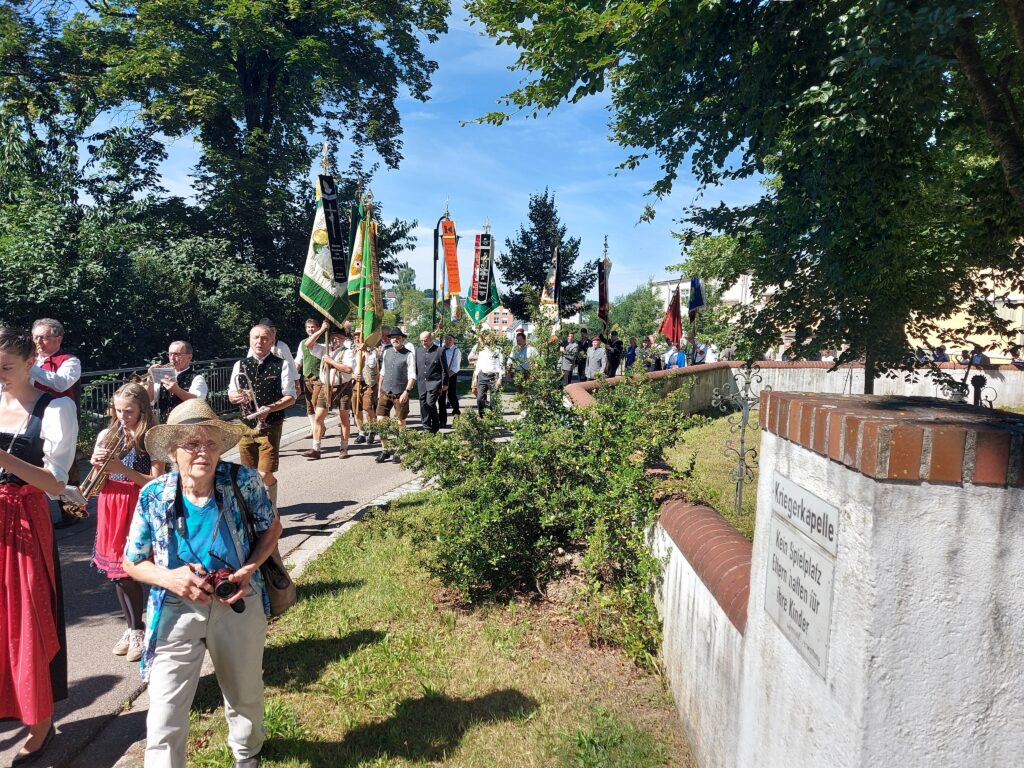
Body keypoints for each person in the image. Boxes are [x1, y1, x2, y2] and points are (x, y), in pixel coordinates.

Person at [123, 399, 281, 768]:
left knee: (244, 692)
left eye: (210, 443)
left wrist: (249, 569)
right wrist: (169, 577)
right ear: (173, 450)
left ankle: (247, 753)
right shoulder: (154, 495)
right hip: (176, 609)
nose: (202, 452)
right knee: (163, 712)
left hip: (237, 601)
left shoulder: (242, 481)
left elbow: (272, 528)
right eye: (192, 444)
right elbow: (131, 562)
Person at [0, 326, 78, 764]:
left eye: (6, 368)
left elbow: (55, 485)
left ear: (31, 361)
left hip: (25, 521)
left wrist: (3, 458)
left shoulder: (55, 408)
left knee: (29, 616)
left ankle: (40, 722)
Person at [91, 383, 165, 663]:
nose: (122, 416)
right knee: (117, 573)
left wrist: (121, 468)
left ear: (142, 409)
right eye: (118, 410)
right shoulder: (110, 433)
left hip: (137, 504)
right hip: (111, 502)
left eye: (129, 411)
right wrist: (99, 465)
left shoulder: (151, 437)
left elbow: (156, 481)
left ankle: (140, 629)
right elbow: (99, 482)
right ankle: (133, 627)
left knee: (132, 569)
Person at [228, 324, 296, 509]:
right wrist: (235, 397)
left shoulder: (282, 364)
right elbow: (231, 394)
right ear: (250, 340)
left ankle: (271, 513)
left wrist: (271, 408)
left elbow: (291, 396)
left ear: (272, 341)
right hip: (246, 425)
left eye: (265, 338)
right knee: (249, 474)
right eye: (256, 337)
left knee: (265, 473)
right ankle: (254, 512)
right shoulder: (240, 365)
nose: (260, 341)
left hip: (270, 425)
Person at [30, 317, 83, 529]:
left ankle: (74, 512)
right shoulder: (31, 359)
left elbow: (61, 383)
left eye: (43, 338)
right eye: (35, 338)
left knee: (66, 468)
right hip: (32, 419)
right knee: (32, 464)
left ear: (58, 338)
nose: (38, 342)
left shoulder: (70, 361)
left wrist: (29, 367)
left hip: (60, 421)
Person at [305, 323, 356, 459]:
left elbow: (348, 369)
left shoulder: (348, 351)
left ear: (344, 338)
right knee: (318, 416)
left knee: (344, 418)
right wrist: (322, 329)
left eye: (338, 337)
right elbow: (308, 344)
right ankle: (316, 448)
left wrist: (330, 361)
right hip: (326, 385)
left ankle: (343, 448)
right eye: (333, 337)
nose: (335, 340)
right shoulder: (325, 349)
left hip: (343, 387)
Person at [375, 328, 416, 464]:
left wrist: (407, 391)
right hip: (385, 391)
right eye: (393, 337)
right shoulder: (386, 352)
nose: (395, 339)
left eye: (398, 337)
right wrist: (379, 389)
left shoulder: (409, 354)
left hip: (400, 393)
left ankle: (399, 450)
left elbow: (412, 376)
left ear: (402, 339)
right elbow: (382, 372)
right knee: (381, 421)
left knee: (400, 422)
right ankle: (385, 449)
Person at [147, 341, 209, 423]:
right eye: (170, 354)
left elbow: (198, 402)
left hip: (187, 425)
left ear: (189, 357)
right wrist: (150, 379)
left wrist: (176, 390)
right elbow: (148, 400)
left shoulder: (197, 378)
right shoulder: (162, 374)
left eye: (177, 354)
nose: (172, 358)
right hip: (164, 425)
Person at [415, 331, 449, 434]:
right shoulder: (418, 351)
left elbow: (444, 369)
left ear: (430, 339)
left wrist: (445, 383)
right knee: (423, 405)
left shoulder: (439, 351)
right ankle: (426, 427)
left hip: (434, 382)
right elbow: (416, 367)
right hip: (422, 383)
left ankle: (435, 425)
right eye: (421, 340)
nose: (423, 342)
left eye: (425, 340)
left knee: (430, 403)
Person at [296, 318, 323, 439]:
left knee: (316, 403)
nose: (310, 329)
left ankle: (319, 428)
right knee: (309, 406)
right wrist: (293, 375)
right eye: (308, 327)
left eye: (313, 327)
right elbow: (298, 360)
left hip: (319, 378)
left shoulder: (324, 342)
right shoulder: (302, 343)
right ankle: (314, 428)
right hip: (307, 378)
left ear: (318, 328)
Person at [353, 330, 380, 445]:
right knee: (356, 408)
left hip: (369, 383)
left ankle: (372, 430)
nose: (357, 339)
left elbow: (372, 364)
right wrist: (353, 375)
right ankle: (361, 432)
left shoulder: (372, 351)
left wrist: (365, 351)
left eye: (359, 337)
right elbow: (348, 367)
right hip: (356, 383)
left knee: (368, 408)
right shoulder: (351, 351)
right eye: (355, 337)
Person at [472, 331, 505, 415]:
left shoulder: (498, 349)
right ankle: (482, 417)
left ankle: (493, 417)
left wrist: (500, 378)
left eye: (489, 338)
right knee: (480, 399)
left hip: (494, 376)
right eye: (486, 338)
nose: (488, 339)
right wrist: (475, 377)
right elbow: (479, 364)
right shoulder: (482, 350)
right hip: (482, 376)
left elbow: (501, 364)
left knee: (494, 399)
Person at [438, 334, 462, 428]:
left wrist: (446, 376)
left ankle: (456, 414)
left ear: (454, 341)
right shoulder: (440, 349)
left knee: (452, 396)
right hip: (441, 376)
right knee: (441, 398)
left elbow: (456, 367)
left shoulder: (456, 350)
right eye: (446, 339)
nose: (447, 341)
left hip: (451, 375)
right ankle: (442, 420)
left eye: (450, 340)